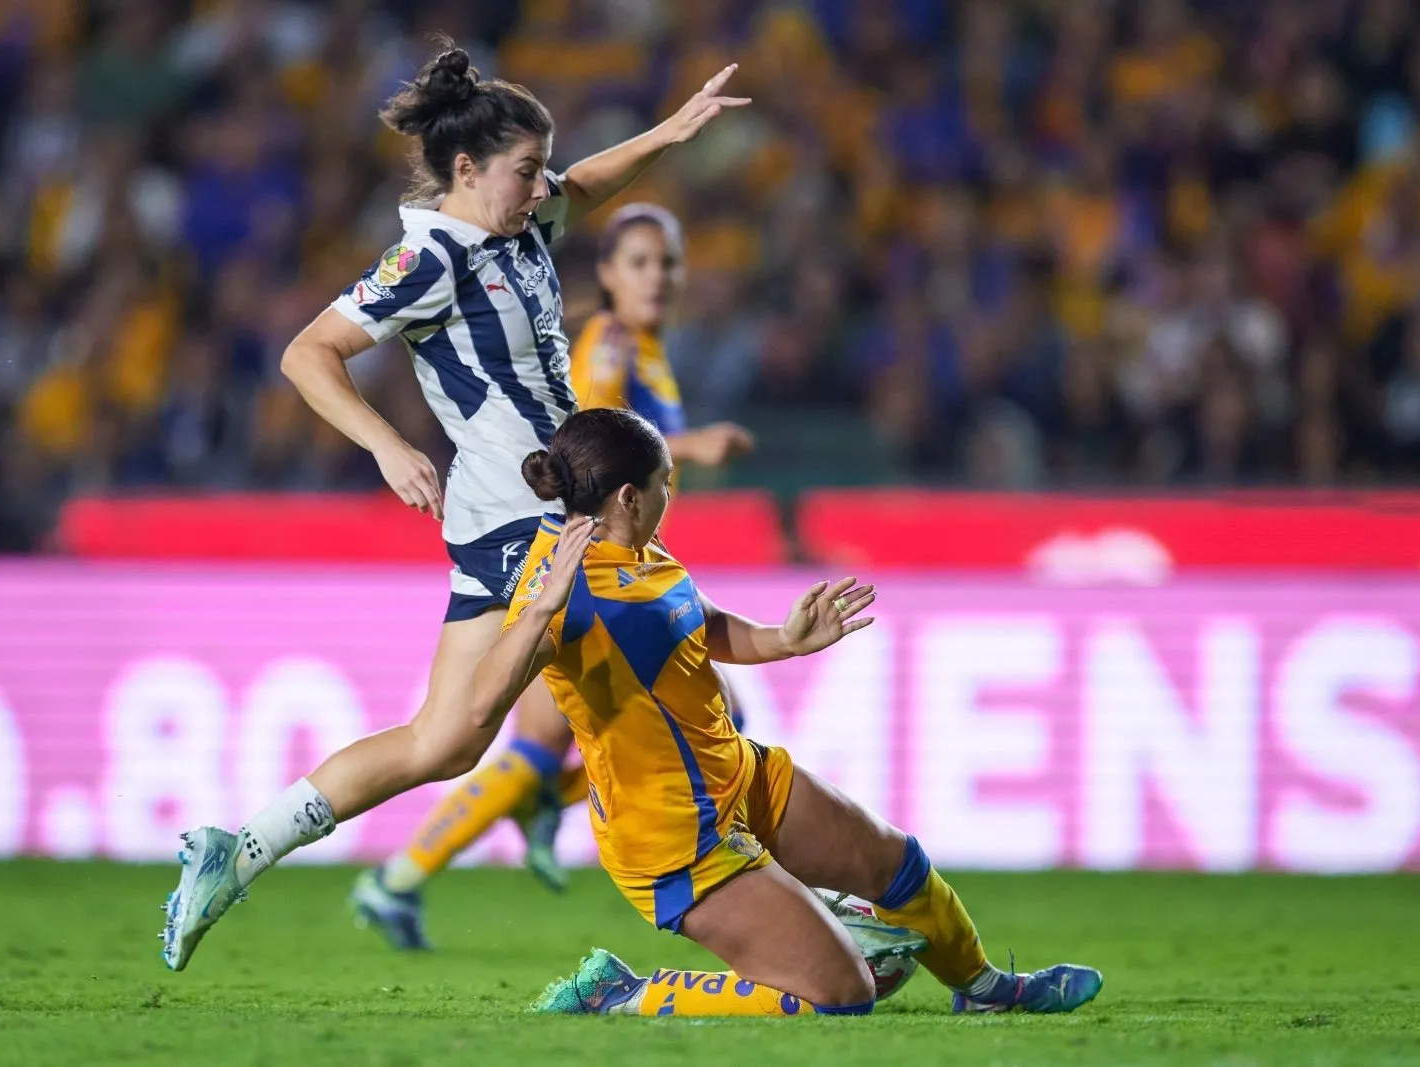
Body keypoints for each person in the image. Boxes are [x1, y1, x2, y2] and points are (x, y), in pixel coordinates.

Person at [158, 41, 751, 971]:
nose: (541, 185)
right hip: (531, 519)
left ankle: (238, 851)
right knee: (672, 680)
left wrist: (672, 131)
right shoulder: (429, 255)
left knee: (448, 739)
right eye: (524, 171)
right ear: (466, 170)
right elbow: (308, 353)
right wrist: (390, 446)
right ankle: (806, 900)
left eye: (542, 168)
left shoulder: (514, 226)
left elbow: (584, 183)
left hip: (510, 517)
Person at [470, 407, 1104, 1017]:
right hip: (672, 838)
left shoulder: (647, 553)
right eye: (667, 485)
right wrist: (540, 607)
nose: (673, 496)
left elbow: (702, 627)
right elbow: (480, 705)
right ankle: (621, 992)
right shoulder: (559, 586)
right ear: (629, 496)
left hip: (740, 778)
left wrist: (785, 640)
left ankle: (985, 987)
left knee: (898, 866)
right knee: (842, 993)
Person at [354, 204, 755, 944]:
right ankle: (402, 873)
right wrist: (692, 446)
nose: (657, 277)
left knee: (553, 746)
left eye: (667, 262)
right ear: (605, 274)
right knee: (553, 741)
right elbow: (592, 442)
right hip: (580, 568)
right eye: (638, 262)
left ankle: (414, 870)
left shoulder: (648, 349)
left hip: (618, 567)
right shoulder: (608, 346)